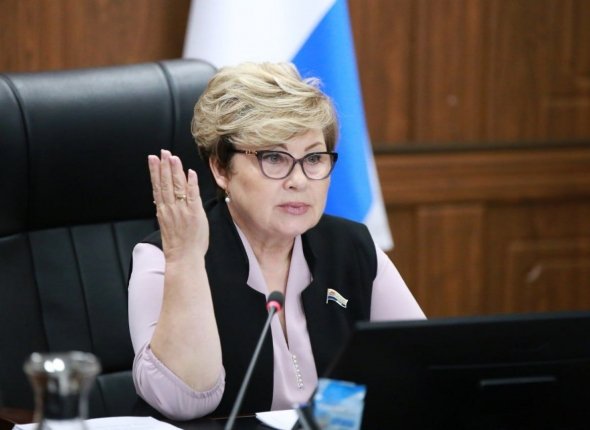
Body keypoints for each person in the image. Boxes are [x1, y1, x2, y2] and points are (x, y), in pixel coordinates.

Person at [128, 62, 425, 421]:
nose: (299, 180)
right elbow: (184, 402)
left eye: (313, 158)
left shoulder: (352, 248)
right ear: (221, 169)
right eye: (273, 158)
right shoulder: (164, 256)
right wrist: (186, 260)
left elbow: (423, 368)